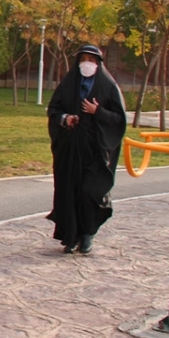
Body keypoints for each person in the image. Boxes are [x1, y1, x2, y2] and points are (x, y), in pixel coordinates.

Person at [45, 44, 126, 255]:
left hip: (96, 150)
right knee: (70, 191)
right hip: (71, 149)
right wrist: (66, 119)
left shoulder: (109, 87)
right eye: (83, 59)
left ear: (98, 63)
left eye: (91, 60)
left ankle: (88, 234)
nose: (86, 64)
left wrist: (98, 111)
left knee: (90, 191)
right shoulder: (68, 84)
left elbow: (119, 119)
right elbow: (54, 110)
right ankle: (71, 237)